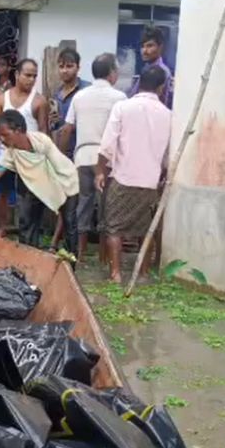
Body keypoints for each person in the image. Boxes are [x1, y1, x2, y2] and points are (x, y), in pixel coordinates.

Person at [0, 110, 76, 252]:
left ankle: (70, 262)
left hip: (61, 181)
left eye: (5, 135)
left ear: (18, 131)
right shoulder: (8, 154)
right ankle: (28, 260)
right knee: (27, 227)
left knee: (70, 224)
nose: (2, 140)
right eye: (0, 136)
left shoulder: (41, 141)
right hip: (34, 186)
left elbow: (58, 168)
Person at [97, 65, 172, 283]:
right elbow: (167, 154)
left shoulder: (122, 108)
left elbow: (107, 144)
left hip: (122, 178)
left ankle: (116, 273)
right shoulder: (168, 115)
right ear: (161, 88)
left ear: (139, 83)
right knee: (144, 230)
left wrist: (100, 172)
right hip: (149, 182)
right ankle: (143, 273)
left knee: (114, 227)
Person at [60, 52, 126, 263]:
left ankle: (79, 255)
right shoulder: (120, 98)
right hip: (107, 160)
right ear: (112, 73)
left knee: (84, 205)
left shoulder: (79, 96)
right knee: (107, 208)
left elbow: (67, 129)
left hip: (82, 157)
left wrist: (62, 157)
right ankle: (104, 258)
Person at [0, 58, 50, 238]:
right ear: (17, 74)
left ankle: (27, 232)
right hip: (4, 155)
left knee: (28, 197)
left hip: (29, 158)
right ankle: (1, 229)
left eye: (34, 76)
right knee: (1, 193)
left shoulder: (39, 102)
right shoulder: (1, 99)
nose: (31, 79)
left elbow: (43, 131)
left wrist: (43, 158)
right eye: (27, 75)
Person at [48, 47, 89, 249]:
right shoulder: (57, 94)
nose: (65, 71)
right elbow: (57, 126)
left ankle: (69, 245)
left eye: (69, 66)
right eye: (62, 66)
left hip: (82, 152)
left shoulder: (86, 91)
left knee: (78, 201)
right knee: (66, 199)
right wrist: (54, 122)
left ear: (78, 68)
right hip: (64, 153)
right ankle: (59, 241)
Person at [123, 25, 174, 108]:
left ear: (160, 47)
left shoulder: (163, 72)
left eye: (150, 46)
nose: (144, 51)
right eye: (143, 46)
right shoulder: (146, 69)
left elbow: (164, 104)